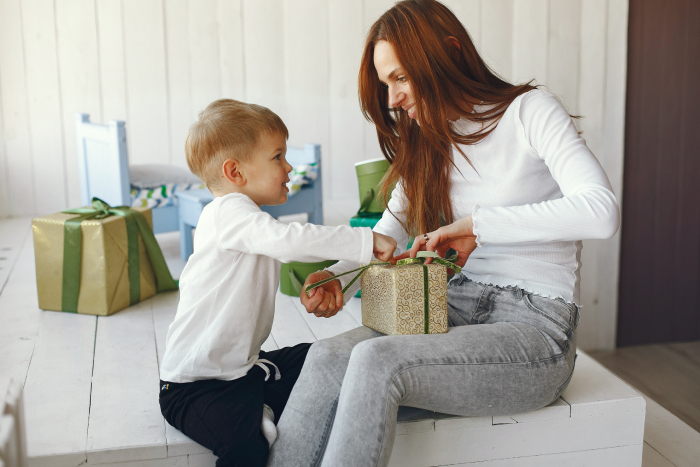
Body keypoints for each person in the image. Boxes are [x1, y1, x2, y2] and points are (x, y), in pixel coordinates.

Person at [267, 1, 620, 466]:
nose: (392, 100)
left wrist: (479, 226)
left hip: (535, 331)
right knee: (327, 357)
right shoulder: (427, 139)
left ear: (449, 53)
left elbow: (601, 212)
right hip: (451, 309)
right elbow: (387, 232)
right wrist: (336, 273)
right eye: (384, 83)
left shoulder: (529, 113)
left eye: (400, 78)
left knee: (377, 362)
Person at [157, 99, 397, 467]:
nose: (289, 167)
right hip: (197, 387)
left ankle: (262, 403)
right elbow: (289, 242)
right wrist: (364, 241)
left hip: (242, 370)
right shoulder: (227, 213)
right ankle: (259, 412)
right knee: (248, 449)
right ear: (235, 172)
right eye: (278, 157)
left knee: (321, 359)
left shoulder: (246, 218)